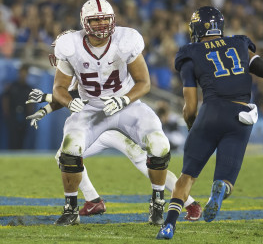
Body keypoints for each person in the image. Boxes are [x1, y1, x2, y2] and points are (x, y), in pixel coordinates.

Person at [156, 6, 263, 239]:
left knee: (186, 176)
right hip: (239, 116)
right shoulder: (240, 45)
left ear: (197, 28)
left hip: (210, 113)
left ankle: (169, 225)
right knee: (226, 180)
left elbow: (190, 107)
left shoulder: (190, 53)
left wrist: (193, 126)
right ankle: (217, 191)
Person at [50, 0, 172, 226]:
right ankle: (71, 208)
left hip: (126, 106)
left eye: (105, 19)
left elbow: (144, 82)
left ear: (113, 19)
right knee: (69, 150)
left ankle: (157, 203)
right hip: (91, 109)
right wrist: (69, 102)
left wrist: (124, 99)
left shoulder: (126, 40)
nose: (101, 24)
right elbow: (58, 88)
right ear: (84, 23)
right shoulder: (70, 45)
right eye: (95, 20)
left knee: (158, 144)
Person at [26, 87, 202, 221]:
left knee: (147, 166)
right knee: (65, 157)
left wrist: (44, 98)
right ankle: (93, 200)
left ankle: (190, 203)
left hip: (115, 128)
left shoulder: (87, 62)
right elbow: (67, 98)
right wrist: (44, 110)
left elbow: (80, 97)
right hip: (97, 130)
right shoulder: (75, 67)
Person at [1, 64, 34, 149]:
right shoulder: (12, 86)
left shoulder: (29, 88)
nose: (23, 75)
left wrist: (30, 115)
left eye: (25, 73)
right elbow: (5, 98)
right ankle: (12, 155)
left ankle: (20, 155)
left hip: (24, 116)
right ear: (19, 73)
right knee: (13, 137)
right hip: (13, 115)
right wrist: (6, 112)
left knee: (22, 137)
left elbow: (31, 103)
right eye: (22, 73)